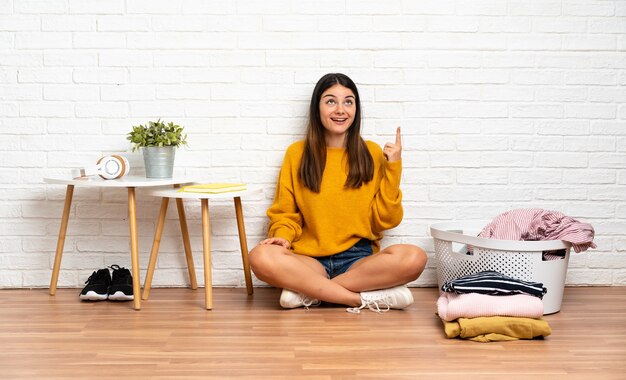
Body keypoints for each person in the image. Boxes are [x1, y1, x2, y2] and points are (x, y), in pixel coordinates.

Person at [248, 73, 427, 313]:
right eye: (331, 101)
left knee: (415, 257)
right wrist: (283, 237)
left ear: (356, 109)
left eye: (348, 101)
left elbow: (386, 220)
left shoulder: (371, 153)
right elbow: (285, 213)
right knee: (260, 257)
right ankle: (359, 299)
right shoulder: (297, 154)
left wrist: (393, 167)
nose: (340, 109)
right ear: (317, 108)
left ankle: (309, 292)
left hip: (358, 261)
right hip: (310, 261)